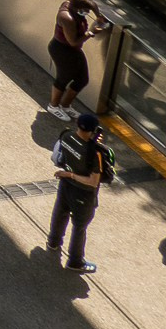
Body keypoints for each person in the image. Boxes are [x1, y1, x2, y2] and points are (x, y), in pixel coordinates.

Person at [49, 113, 111, 273]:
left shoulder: (66, 136)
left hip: (65, 186)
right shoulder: (94, 152)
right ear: (93, 130)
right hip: (83, 194)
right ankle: (75, 261)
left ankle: (53, 242)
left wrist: (67, 174)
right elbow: (93, 181)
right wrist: (72, 175)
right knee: (79, 226)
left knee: (60, 213)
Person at [47, 0, 110, 119]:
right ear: (76, 7)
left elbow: (92, 5)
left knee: (82, 79)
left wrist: (98, 15)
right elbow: (73, 42)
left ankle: (65, 105)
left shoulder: (75, 4)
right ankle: (53, 106)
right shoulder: (67, 18)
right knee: (63, 78)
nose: (87, 13)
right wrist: (91, 32)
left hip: (74, 50)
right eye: (84, 10)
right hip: (62, 49)